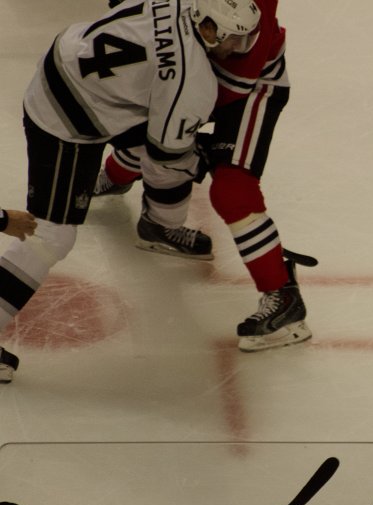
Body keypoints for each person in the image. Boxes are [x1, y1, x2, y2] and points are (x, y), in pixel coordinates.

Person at [0, 0, 262, 383]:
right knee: (51, 235)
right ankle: (158, 222)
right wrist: (204, 160)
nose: (236, 50)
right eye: (234, 39)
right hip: (63, 118)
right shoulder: (194, 83)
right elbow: (166, 155)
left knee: (155, 129)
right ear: (208, 28)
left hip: (66, 62)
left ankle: (158, 225)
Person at [95, 0, 314, 352]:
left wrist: (185, 136)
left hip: (252, 87)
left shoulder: (252, 18)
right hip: (191, 61)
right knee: (156, 134)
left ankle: (284, 300)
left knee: (231, 190)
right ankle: (132, 193)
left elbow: (230, 84)